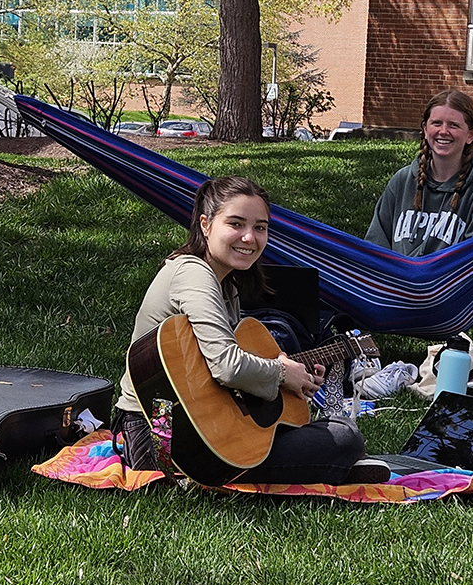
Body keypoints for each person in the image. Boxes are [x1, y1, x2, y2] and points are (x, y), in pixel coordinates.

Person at [113, 175, 389, 485]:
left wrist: (291, 375)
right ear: (205, 225)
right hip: (158, 437)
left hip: (191, 427)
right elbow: (227, 366)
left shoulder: (225, 283)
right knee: (343, 436)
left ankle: (320, 465)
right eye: (236, 224)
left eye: (260, 227)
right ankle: (329, 466)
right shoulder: (192, 274)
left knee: (329, 431)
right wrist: (282, 373)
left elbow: (213, 369)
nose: (249, 237)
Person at [365, 89, 473, 257]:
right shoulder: (402, 181)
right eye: (437, 123)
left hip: (453, 283)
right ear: (425, 129)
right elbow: (375, 248)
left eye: (453, 125)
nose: (443, 131)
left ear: (471, 134)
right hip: (395, 281)